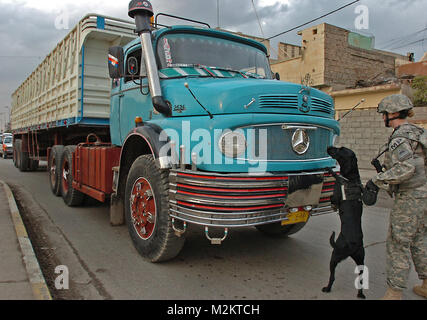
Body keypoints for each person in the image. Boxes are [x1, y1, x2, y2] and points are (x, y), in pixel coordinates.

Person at [366, 94, 426, 300]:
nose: (383, 118)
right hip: (424, 196)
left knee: (398, 243)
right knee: (421, 239)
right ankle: (426, 284)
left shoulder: (400, 138)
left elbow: (406, 168)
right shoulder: (419, 133)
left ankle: (394, 293)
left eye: (384, 114)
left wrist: (377, 180)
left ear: (392, 114)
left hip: (410, 197)